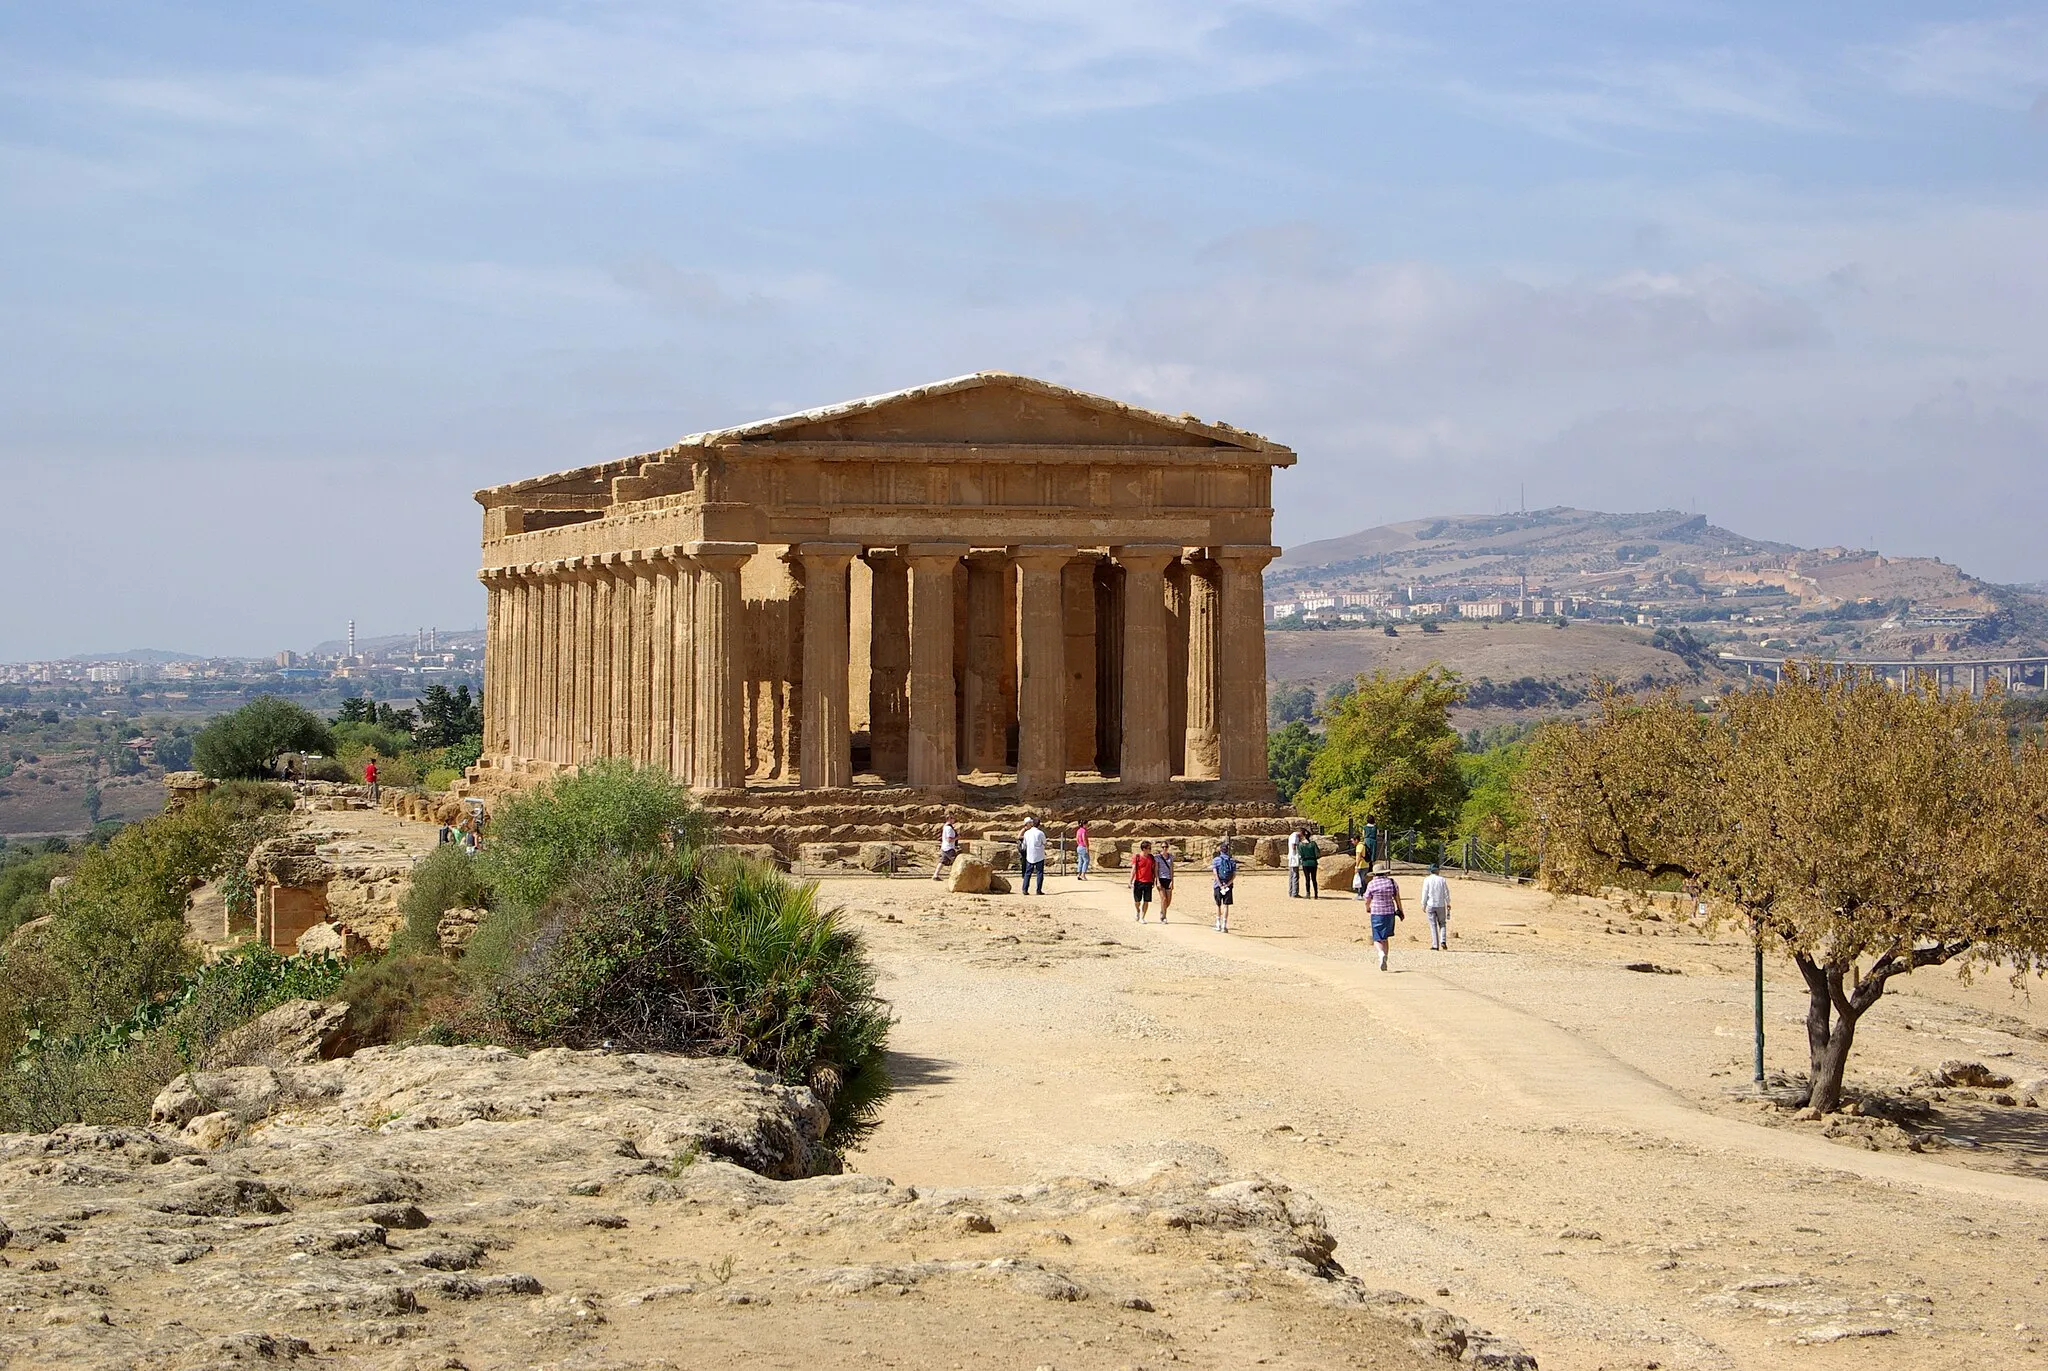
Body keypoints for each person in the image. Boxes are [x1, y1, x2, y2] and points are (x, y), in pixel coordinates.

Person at [1363, 861, 1404, 970]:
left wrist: (1367, 908)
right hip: (1389, 912)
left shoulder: (1372, 884)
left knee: (1377, 938)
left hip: (1376, 911)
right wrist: (1400, 910)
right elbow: (1397, 898)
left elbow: (1367, 899)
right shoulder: (1391, 882)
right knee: (1385, 937)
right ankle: (1385, 956)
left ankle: (1381, 954)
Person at [1422, 863, 1452, 950]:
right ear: (1437, 870)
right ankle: (1443, 940)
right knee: (1442, 923)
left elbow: (1425, 893)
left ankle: (1435, 945)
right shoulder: (1442, 879)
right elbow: (1446, 892)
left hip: (1430, 904)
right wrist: (1448, 902)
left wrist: (1423, 904)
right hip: (1441, 904)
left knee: (1433, 924)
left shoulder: (1427, 880)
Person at [1210, 843, 1237, 932]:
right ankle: (1224, 925)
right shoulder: (1232, 861)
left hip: (1218, 885)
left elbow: (1215, 874)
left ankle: (1218, 924)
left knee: (1218, 905)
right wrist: (1227, 884)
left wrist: (1220, 885)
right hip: (1228, 886)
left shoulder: (1216, 860)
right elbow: (1234, 875)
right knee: (1226, 905)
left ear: (1220, 850)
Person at [1130, 840, 1157, 921]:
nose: (1150, 850)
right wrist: (1130, 881)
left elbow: (1154, 869)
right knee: (1137, 901)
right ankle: (1138, 910)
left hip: (1148, 881)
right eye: (1149, 848)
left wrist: (1155, 879)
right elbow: (1134, 869)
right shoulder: (1137, 857)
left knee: (1146, 900)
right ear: (1144, 849)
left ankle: (1143, 917)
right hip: (1139, 881)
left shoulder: (1151, 857)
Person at [1020, 816, 1047, 895]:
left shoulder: (1027, 833)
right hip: (1039, 855)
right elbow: (1044, 842)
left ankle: (1025, 889)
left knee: (1028, 872)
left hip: (1030, 854)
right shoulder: (1040, 833)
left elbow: (1024, 843)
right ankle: (1038, 890)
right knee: (1039, 873)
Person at [1154, 842, 1176, 922]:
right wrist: (1157, 881)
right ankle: (1164, 916)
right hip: (1161, 878)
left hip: (1168, 879)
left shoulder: (1171, 857)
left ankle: (1162, 910)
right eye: (1163, 847)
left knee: (1168, 900)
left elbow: (1171, 869)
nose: (1164, 848)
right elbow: (1156, 869)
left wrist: (1172, 881)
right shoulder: (1158, 857)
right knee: (1163, 898)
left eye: (1166, 847)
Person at [1297, 831, 1320, 899]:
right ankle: (1316, 894)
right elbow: (1317, 853)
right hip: (1313, 862)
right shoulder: (1313, 844)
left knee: (1307, 879)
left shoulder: (1301, 845)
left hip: (1305, 863)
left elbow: (1301, 854)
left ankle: (1308, 893)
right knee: (1314, 879)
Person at [1286, 827, 1302, 898]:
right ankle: (1294, 893)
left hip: (1292, 857)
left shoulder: (1293, 835)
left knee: (1292, 875)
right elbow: (1293, 845)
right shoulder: (1295, 836)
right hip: (1294, 857)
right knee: (1295, 875)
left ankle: (1291, 892)